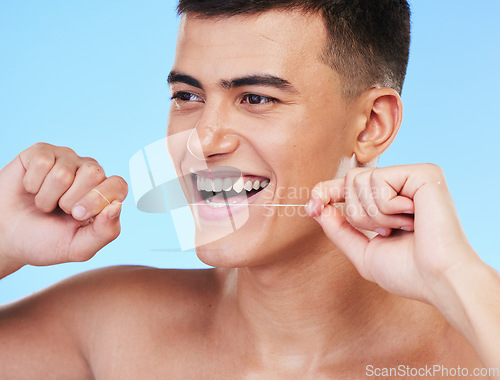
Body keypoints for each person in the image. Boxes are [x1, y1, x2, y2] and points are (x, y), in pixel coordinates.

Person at [1, 0, 499, 378]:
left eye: (256, 97)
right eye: (188, 96)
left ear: (370, 124)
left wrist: (455, 277)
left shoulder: (472, 351)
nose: (202, 140)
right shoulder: (107, 330)